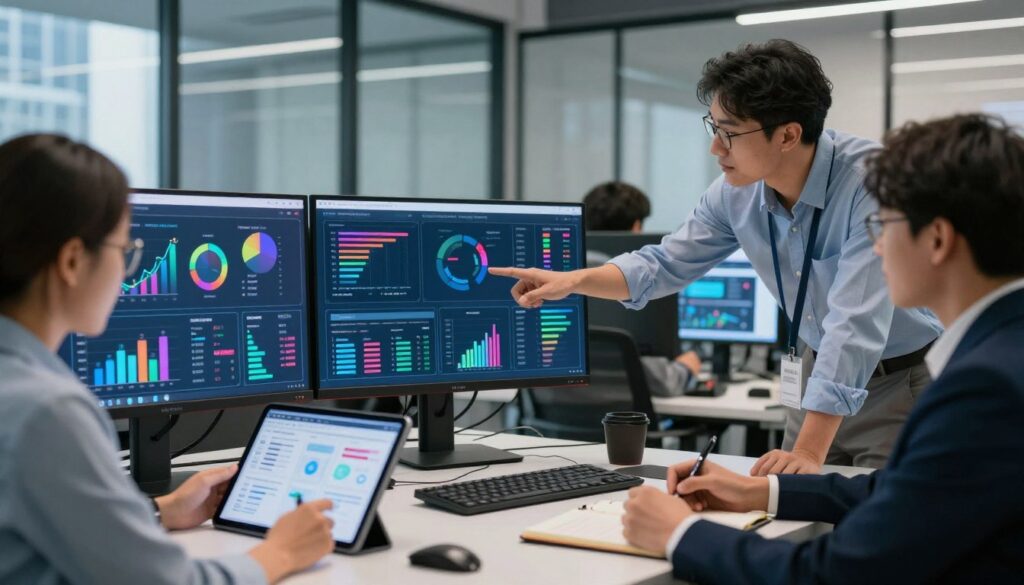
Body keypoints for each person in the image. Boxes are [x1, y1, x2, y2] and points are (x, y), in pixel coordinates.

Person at [491, 39, 942, 473]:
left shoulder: (873, 183)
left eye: (729, 133)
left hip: (899, 384)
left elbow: (854, 324)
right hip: (813, 378)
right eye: (714, 128)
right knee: (791, 510)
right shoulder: (734, 194)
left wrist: (807, 451)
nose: (715, 148)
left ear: (788, 135)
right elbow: (663, 263)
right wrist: (574, 281)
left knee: (883, 518)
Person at [620, 113, 1024, 583]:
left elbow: (837, 574)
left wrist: (680, 534)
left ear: (936, 239)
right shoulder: (1002, 357)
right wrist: (762, 493)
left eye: (883, 225)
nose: (875, 247)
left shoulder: (985, 389)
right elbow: (909, 493)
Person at [0, 134, 335, 584]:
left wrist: (160, 511)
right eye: (125, 251)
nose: (126, 272)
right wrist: (281, 552)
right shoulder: (47, 411)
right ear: (73, 261)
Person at [584, 180, 702, 396]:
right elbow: (662, 383)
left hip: (554, 409)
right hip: (627, 414)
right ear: (637, 226)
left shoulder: (563, 277)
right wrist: (685, 369)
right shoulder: (640, 282)